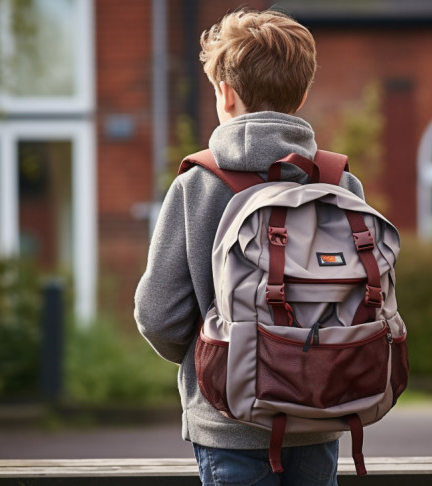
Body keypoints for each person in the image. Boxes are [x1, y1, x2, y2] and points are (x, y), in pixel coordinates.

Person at [134, 8, 365, 485]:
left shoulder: (199, 185)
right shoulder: (341, 183)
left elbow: (159, 314)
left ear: (224, 92)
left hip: (228, 420)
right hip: (320, 416)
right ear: (301, 96)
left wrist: (213, 360)